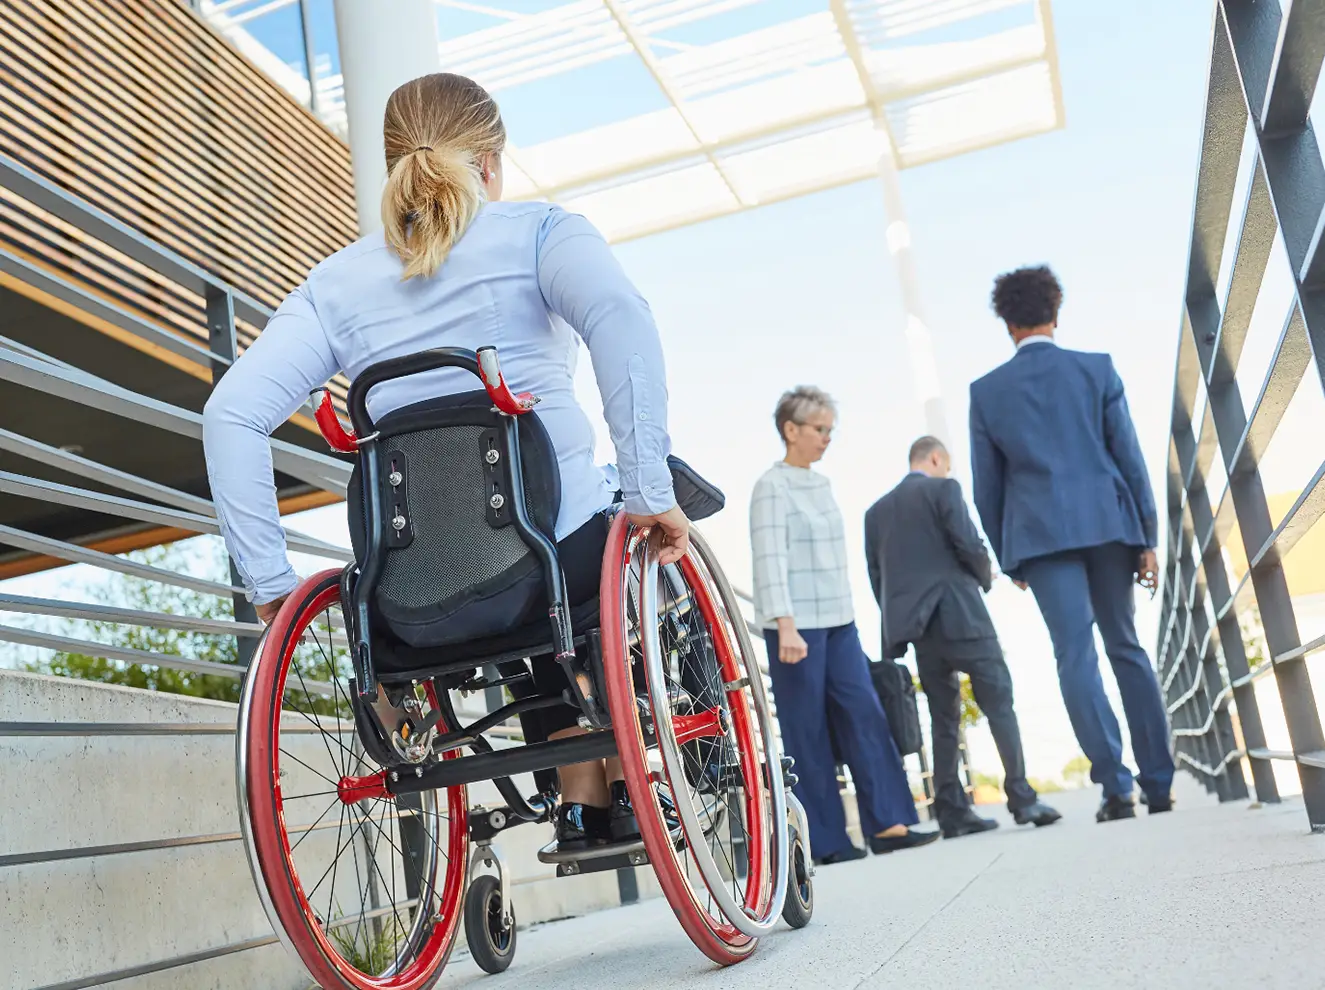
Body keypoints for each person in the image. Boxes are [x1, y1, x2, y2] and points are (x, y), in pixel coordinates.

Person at [202, 72, 691, 851]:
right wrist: (648, 487)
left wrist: (269, 585)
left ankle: (576, 795)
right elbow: (620, 317)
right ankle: (634, 782)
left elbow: (230, 414)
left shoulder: (334, 284)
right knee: (587, 542)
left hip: (412, 583)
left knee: (499, 566)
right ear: (491, 163)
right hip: (557, 550)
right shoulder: (539, 231)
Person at [968, 265, 1175, 822]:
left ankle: (1115, 788)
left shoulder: (986, 393)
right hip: (1110, 525)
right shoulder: (1096, 369)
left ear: (1007, 324)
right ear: (1055, 315)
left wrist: (1008, 555)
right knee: (1126, 646)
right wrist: (1147, 537)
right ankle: (1159, 783)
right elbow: (1128, 457)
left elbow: (986, 487)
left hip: (1040, 538)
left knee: (1074, 656)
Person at [749, 386, 938, 864]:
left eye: (830, 431)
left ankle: (890, 825)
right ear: (791, 430)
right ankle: (828, 841)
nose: (826, 438)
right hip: (795, 628)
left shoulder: (824, 484)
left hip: (839, 622)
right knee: (806, 731)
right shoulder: (771, 486)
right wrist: (784, 625)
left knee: (865, 715)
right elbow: (770, 561)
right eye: (819, 429)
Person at [864, 436, 1061, 837]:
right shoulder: (944, 488)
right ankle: (1022, 798)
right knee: (999, 701)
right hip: (961, 615)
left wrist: (900, 622)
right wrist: (985, 576)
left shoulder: (876, 512)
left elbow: (876, 576)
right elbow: (968, 542)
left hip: (917, 630)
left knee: (943, 717)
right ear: (936, 458)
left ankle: (952, 812)